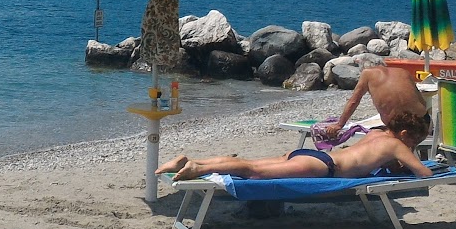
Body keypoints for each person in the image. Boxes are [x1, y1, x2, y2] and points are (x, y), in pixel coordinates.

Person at [158, 112, 433, 182]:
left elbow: (372, 158)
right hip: (324, 167)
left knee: (252, 162)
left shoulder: (377, 133)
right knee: (254, 172)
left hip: (313, 156)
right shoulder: (397, 145)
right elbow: (424, 174)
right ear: (405, 133)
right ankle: (195, 168)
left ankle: (190, 161)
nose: (414, 147)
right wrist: (413, 158)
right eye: (415, 141)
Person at [312, 64, 430, 149]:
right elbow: (422, 102)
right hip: (424, 125)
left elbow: (354, 101)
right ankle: (422, 157)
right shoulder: (402, 71)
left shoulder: (367, 74)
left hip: (401, 129)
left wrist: (339, 124)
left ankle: (397, 167)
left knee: (378, 140)